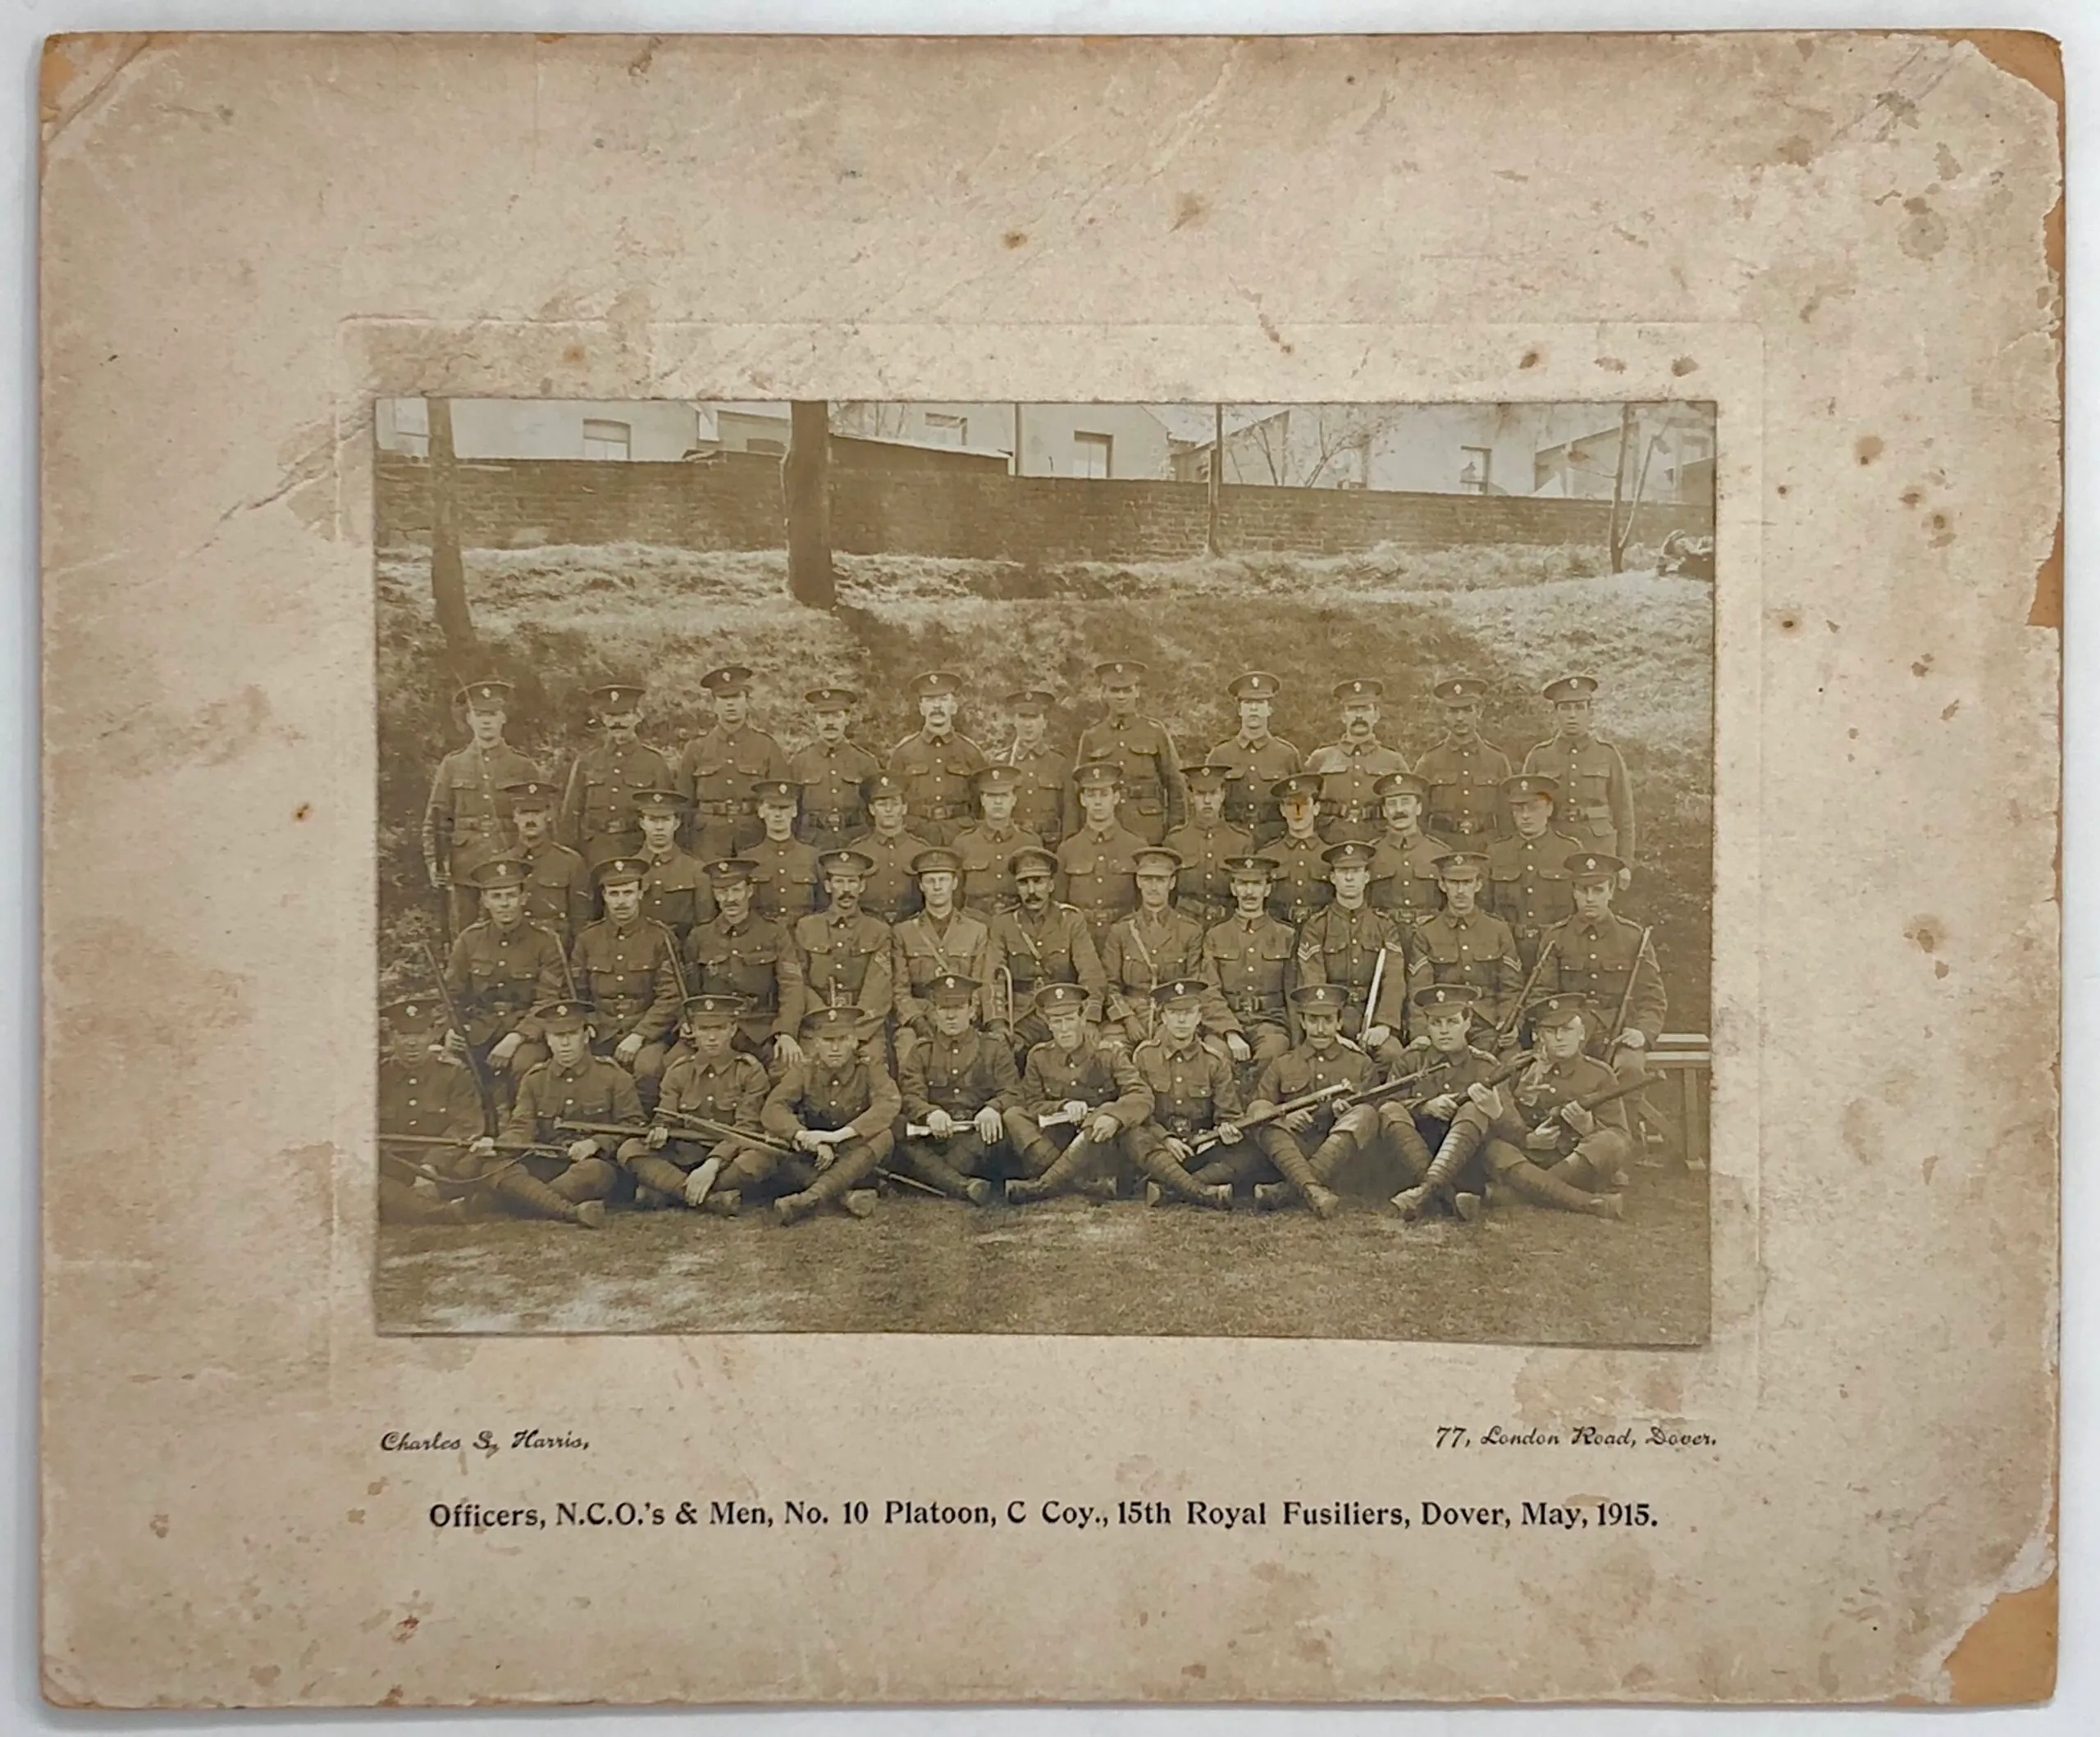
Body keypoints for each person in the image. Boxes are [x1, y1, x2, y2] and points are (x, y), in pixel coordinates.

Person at [1428, 992, 1628, 1220]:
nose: (1560, 1037)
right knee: (1494, 1149)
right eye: (1551, 1031)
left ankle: (1510, 1195)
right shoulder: (1517, 1068)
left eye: (1567, 1030)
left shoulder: (1600, 1074)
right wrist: (1528, 1137)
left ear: (1582, 1034)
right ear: (1537, 1035)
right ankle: (1589, 1203)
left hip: (1574, 1159)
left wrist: (1589, 1127)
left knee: (1609, 1143)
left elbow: (1620, 1136)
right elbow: (1501, 1125)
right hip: (1525, 1158)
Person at [468, 998, 631, 1228]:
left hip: (592, 1164)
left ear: (587, 1035)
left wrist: (595, 1144)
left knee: (594, 1173)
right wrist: (498, 1146)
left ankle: (515, 1198)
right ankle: (566, 1210)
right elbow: (521, 1127)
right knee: (492, 1165)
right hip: (547, 1161)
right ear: (547, 1039)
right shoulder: (535, 1079)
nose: (565, 1043)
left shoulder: (614, 1076)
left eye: (572, 1034)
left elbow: (633, 1126)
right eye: (557, 1036)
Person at [619, 994, 775, 1215]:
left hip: (728, 1159)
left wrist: (713, 1164)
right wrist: (660, 1129)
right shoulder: (679, 1070)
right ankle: (710, 1199)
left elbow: (746, 1128)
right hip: (684, 1156)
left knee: (762, 1158)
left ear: (733, 1029)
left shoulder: (750, 1070)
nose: (712, 1037)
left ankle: (670, 1189)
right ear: (692, 1030)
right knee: (629, 1150)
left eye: (719, 1028)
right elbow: (665, 1116)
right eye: (704, 1029)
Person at [1002, 982, 1153, 1204]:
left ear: (1083, 1019)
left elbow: (1141, 1094)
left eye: (1069, 1020)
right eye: (1057, 1021)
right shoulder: (1038, 1056)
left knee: (1108, 1125)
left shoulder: (1108, 1053)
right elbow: (1031, 1104)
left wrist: (1113, 1116)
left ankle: (1042, 1186)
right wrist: (1062, 1106)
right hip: (1055, 1144)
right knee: (1013, 1115)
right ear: (1048, 1024)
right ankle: (1082, 1182)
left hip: (1095, 1145)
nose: (1064, 1029)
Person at [751, 1005, 902, 1223]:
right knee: (774, 1146)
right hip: (816, 1156)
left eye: (842, 1039)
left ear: (854, 1041)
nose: (835, 1048)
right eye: (828, 1040)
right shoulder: (805, 1069)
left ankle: (810, 1198)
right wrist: (803, 1136)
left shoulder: (869, 1067)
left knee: (884, 1136)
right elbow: (773, 1108)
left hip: (857, 1153)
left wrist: (836, 1137)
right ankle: (845, 1196)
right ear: (816, 1043)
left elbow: (888, 1103)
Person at [1244, 983, 1381, 1219]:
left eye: (1328, 1020)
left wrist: (1348, 1112)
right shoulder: (1282, 1063)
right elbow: (1259, 1109)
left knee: (1366, 1113)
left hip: (1343, 1160)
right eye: (1313, 1020)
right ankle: (1312, 1190)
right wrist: (1284, 1117)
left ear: (1339, 1023)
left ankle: (1290, 1190)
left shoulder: (1360, 1063)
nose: (1320, 1029)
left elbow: (1374, 1119)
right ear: (1303, 1022)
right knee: (1259, 1110)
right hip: (1294, 1150)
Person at [441, 855, 569, 1093]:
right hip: (479, 1028)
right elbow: (452, 994)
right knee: (449, 1064)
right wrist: (450, 1029)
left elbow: (548, 1000)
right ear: (485, 901)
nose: (504, 904)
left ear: (523, 898)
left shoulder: (546, 941)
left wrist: (517, 1037)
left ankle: (522, 1126)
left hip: (527, 1032)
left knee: (525, 1065)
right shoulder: (469, 940)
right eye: (496, 896)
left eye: (510, 895)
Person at [423, 677, 537, 939]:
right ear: (469, 719)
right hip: (465, 868)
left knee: (512, 936)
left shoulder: (523, 767)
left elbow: (540, 821)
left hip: (509, 862)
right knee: (464, 937)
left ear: (503, 718)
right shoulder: (452, 765)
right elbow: (436, 819)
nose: (486, 720)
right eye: (478, 714)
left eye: (492, 714)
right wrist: (434, 862)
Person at [893, 973, 1022, 1204]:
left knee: (1004, 1130)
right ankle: (963, 1186)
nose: (951, 1015)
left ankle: (937, 1179)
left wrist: (993, 1108)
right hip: (938, 1138)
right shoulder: (921, 1051)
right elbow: (910, 1095)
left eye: (958, 1007)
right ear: (934, 1013)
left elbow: (1013, 1092)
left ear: (972, 1011)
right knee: (896, 1129)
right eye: (943, 1008)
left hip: (978, 1137)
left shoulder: (993, 1048)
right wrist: (930, 1112)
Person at [1536, 853, 1665, 1082]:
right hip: (1569, 1031)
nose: (1590, 898)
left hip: (1618, 1033)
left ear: (1611, 891)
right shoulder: (1556, 937)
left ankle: (1625, 1120)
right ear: (1574, 892)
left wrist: (1642, 1032)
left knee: (1631, 1069)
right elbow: (1542, 994)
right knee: (1549, 1073)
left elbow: (1652, 997)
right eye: (1583, 890)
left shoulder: (1634, 937)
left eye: (1598, 890)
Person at [1385, 983, 1508, 1222]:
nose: (1443, 1030)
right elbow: (1386, 1105)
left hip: (1467, 1162)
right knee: (1391, 1111)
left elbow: (1516, 1130)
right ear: (1427, 1025)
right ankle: (1449, 1197)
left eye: (1451, 1022)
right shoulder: (1410, 1061)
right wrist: (1424, 1107)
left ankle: (1424, 1192)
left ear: (1467, 1022)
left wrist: (1495, 1111)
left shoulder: (1486, 1066)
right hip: (1418, 1153)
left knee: (1473, 1108)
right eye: (1436, 1023)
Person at [568, 855, 682, 1109]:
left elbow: (671, 996)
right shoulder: (588, 939)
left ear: (641, 893)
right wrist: (589, 1025)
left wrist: (639, 1035)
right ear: (605, 896)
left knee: (648, 1069)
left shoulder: (660, 937)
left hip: (646, 1034)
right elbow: (577, 993)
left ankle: (643, 1129)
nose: (622, 901)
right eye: (614, 893)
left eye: (628, 892)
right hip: (600, 1031)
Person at [1127, 980, 1249, 1209]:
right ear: (1163, 1017)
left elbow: (1228, 1115)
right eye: (1174, 1013)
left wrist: (1226, 1130)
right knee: (1133, 1135)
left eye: (1188, 1013)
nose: (1181, 1021)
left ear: (1199, 1017)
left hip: (1201, 1149)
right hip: (1160, 1148)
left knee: (1248, 1151)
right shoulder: (1145, 1055)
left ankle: (1170, 1190)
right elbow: (1140, 1111)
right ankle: (1201, 1191)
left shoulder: (1215, 1060)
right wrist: (1165, 1138)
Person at [1291, 841, 1411, 1054]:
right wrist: (1331, 1031)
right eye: (1343, 871)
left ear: (1366, 878)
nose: (1349, 878)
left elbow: (1394, 979)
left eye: (1356, 871)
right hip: (1330, 1022)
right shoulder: (1317, 926)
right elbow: (1313, 980)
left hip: (1373, 1017)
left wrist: (1384, 1025)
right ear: (1332, 878)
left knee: (1392, 1054)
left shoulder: (1383, 925)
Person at [985, 845, 1107, 1051]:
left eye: (1038, 881)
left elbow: (1091, 973)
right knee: (1000, 1053)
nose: (1031, 891)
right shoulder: (1004, 923)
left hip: (1064, 1010)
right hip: (1021, 1015)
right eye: (1024, 883)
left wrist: (1090, 1019)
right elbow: (992, 978)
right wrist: (998, 1022)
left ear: (1051, 885)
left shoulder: (1070, 920)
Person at [685, 858, 800, 1074]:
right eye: (722, 892)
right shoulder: (700, 937)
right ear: (715, 894)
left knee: (788, 1067)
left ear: (749, 891)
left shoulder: (774, 933)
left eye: (736, 890)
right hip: (714, 1030)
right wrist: (688, 1023)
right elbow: (690, 990)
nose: (730, 899)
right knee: (673, 1064)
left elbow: (791, 986)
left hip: (761, 1029)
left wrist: (786, 1032)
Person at [377, 995, 484, 1224]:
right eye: (404, 1035)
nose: (412, 1042)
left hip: (440, 1163)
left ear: (432, 1035)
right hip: (393, 1164)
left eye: (419, 1034)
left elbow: (467, 1125)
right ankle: (438, 1213)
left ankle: (412, 1205)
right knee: (370, 1182)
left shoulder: (453, 1073)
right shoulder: (377, 1076)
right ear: (391, 1036)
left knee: (477, 1165)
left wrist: (430, 1167)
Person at [778, 850, 893, 1057]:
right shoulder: (806, 927)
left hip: (862, 1027)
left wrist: (856, 1033)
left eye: (852, 882)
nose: (846, 890)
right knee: (796, 1069)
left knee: (871, 1068)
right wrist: (824, 1021)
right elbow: (799, 981)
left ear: (862, 886)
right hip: (816, 1024)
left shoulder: (878, 930)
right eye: (839, 882)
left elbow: (878, 988)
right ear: (828, 886)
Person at [1099, 846, 1213, 1052]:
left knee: (1169, 1050)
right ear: (1138, 882)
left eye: (1160, 880)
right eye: (1147, 879)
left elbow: (1195, 983)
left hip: (1172, 1016)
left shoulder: (1190, 930)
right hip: (1129, 1015)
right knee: (1110, 1052)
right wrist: (1127, 1018)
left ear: (1172, 883)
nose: (1153, 887)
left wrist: (1172, 1018)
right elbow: (1109, 984)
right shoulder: (1122, 930)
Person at [1524, 675, 1637, 882]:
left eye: (1579, 707)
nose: (1572, 715)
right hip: (1554, 848)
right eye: (1565, 708)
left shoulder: (1608, 755)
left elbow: (1624, 813)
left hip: (1600, 849)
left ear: (1590, 712)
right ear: (1555, 713)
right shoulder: (1539, 757)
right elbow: (1526, 811)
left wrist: (1625, 862)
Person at [891, 848, 997, 1067]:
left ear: (954, 883)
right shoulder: (903, 932)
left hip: (963, 1016)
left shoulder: (976, 930)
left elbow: (981, 984)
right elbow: (900, 990)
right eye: (930, 881)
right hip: (920, 1018)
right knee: (907, 1048)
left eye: (943, 880)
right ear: (921, 886)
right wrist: (919, 1022)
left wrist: (964, 1016)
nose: (937, 887)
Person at [1405, 851, 1524, 1043]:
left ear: (1478, 885)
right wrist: (1421, 1035)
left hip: (1488, 1024)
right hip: (1443, 1025)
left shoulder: (1498, 929)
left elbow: (1511, 988)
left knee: (1509, 1062)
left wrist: (1510, 1023)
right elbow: (1419, 991)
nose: (1460, 891)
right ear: (1442, 885)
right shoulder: (1427, 932)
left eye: (1467, 882)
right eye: (1453, 883)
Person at [678, 665, 792, 861]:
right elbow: (683, 804)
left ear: (747, 702)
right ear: (714, 705)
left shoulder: (766, 746)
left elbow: (783, 798)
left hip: (753, 834)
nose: (731, 704)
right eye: (724, 699)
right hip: (707, 839)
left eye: (736, 697)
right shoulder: (696, 748)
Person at [560, 679, 678, 859]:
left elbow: (665, 813)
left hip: (636, 851)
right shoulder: (587, 762)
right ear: (603, 719)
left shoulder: (654, 762)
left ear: (638, 716)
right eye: (611, 715)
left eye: (624, 715)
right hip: (593, 851)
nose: (617, 722)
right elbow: (571, 815)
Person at [1073, 659, 1185, 845]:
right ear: (1105, 694)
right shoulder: (1092, 737)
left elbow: (1175, 786)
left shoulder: (1155, 732)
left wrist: (1174, 835)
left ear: (1137, 692)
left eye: (1127, 690)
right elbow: (1079, 793)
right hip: (1107, 833)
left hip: (1149, 832)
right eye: (1115, 691)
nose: (1121, 697)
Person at [1199, 857, 1298, 1069]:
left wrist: (1298, 1040)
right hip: (1225, 1021)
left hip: (1271, 1023)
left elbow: (1293, 992)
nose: (1249, 892)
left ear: (1268, 889)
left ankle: (1262, 1104)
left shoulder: (1286, 936)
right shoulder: (1216, 935)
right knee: (1216, 1056)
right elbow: (1208, 990)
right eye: (1243, 884)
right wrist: (1230, 1031)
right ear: (1234, 889)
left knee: (1272, 1054)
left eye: (1256, 884)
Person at [1486, 774, 1585, 972]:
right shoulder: (1496, 852)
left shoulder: (1569, 851)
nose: (1526, 816)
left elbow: (1580, 911)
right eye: (1519, 809)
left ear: (1549, 809)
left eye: (1534, 808)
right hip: (1508, 953)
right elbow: (1485, 908)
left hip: (1557, 952)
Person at [1304, 677, 1409, 844]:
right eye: (1352, 709)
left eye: (1365, 709)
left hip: (1379, 846)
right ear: (1343, 716)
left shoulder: (1393, 762)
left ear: (1376, 715)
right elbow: (1303, 807)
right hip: (1329, 845)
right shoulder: (1320, 760)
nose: (1359, 716)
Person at [888, 670, 987, 846]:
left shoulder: (970, 752)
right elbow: (891, 800)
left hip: (960, 836)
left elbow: (982, 803)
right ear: (921, 708)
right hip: (917, 837)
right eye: (931, 701)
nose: (937, 707)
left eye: (943, 699)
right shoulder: (904, 753)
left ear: (954, 707)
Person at [1416, 676, 1511, 848]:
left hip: (1487, 847)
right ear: (1445, 714)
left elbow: (1508, 817)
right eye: (1453, 711)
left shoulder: (1497, 760)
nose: (1460, 718)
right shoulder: (1429, 761)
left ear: (1479, 712)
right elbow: (1418, 818)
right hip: (1442, 848)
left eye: (1467, 710)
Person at [495, 776, 591, 947]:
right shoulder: (501, 864)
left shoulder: (570, 862)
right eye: (524, 813)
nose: (530, 820)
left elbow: (580, 922)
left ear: (549, 815)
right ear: (514, 817)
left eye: (537, 812)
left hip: (557, 952)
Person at [1057, 761, 1148, 941]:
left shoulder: (1136, 847)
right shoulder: (1068, 849)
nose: (1098, 802)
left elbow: (1142, 905)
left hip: (1125, 939)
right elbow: (1059, 908)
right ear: (1082, 800)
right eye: (1091, 795)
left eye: (1104, 794)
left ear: (1116, 798)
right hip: (1080, 939)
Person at [1208, 670, 1301, 844]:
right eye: (1248, 702)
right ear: (1239, 710)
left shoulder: (1286, 755)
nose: (1253, 709)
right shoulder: (1221, 755)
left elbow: (1299, 805)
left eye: (1260, 703)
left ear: (1270, 710)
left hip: (1275, 841)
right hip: (1232, 842)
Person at [789, 685, 880, 854]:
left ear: (847, 719)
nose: (830, 723)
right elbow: (791, 812)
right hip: (812, 844)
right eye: (823, 716)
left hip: (855, 842)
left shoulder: (866, 762)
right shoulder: (799, 762)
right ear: (815, 719)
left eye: (837, 716)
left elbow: (877, 811)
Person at [1162, 764, 1253, 928]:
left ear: (1223, 795)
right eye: (1201, 794)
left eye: (1213, 793)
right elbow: (1169, 895)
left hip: (1227, 926)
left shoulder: (1241, 841)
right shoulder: (1176, 840)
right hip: (1184, 926)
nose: (1207, 801)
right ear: (1191, 797)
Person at [949, 765, 1044, 914]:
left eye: (1004, 795)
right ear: (982, 800)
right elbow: (955, 897)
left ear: (1014, 799)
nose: (998, 802)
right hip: (975, 924)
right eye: (992, 796)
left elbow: (1039, 895)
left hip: (1017, 924)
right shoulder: (963, 843)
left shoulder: (1029, 842)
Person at [630, 787, 714, 946]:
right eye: (653, 820)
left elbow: (705, 925)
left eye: (666, 819)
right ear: (642, 823)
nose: (659, 827)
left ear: (677, 823)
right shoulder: (631, 871)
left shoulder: (696, 869)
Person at [1367, 771, 1445, 928]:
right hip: (1384, 937)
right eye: (1392, 804)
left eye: (1405, 802)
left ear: (1418, 808)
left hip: (1429, 938)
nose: (1399, 810)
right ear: (1384, 811)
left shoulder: (1440, 853)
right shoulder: (1370, 854)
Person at [1258, 774, 1334, 929]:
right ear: (1282, 810)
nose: (1298, 812)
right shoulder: (1267, 856)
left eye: (1304, 804)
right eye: (1291, 805)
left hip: (1320, 934)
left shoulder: (1330, 856)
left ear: (1316, 808)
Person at [742, 779, 824, 923]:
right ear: (761, 811)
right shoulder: (748, 859)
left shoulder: (813, 857)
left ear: (794, 811)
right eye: (772, 808)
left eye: (784, 808)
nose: (778, 815)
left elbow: (823, 906)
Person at [997, 687, 1069, 846]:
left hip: (1050, 847)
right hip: (1011, 846)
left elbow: (1071, 815)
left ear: (1044, 722)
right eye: (1022, 717)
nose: (1028, 724)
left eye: (1034, 717)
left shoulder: (1060, 764)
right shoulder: (1001, 763)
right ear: (1014, 721)